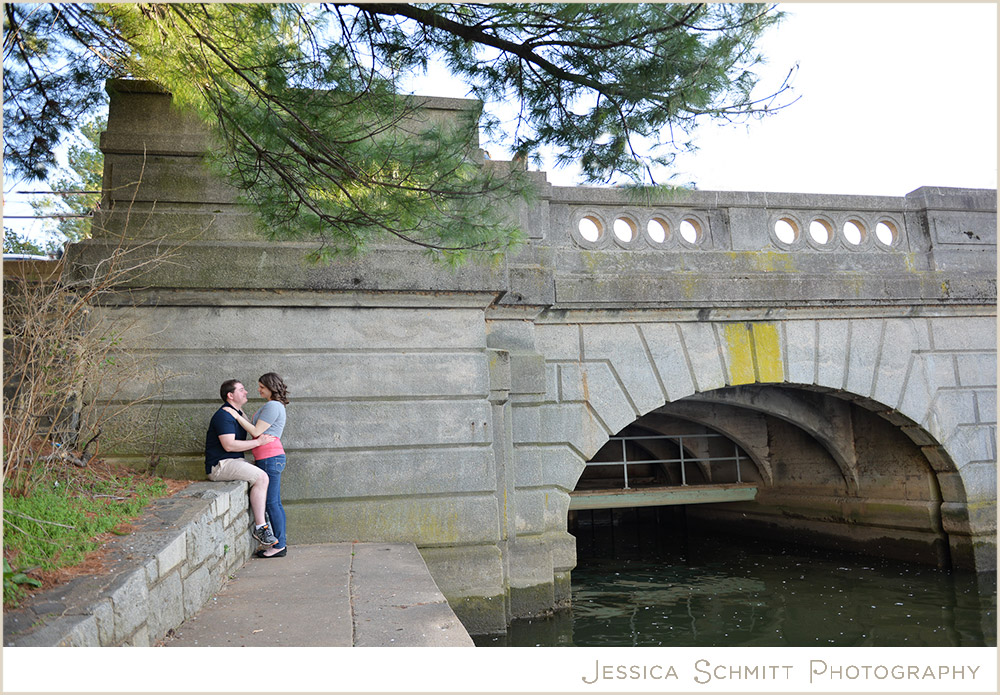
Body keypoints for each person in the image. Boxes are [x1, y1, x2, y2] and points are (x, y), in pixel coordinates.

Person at [205, 379, 279, 547]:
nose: (246, 392)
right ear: (230, 395)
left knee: (263, 471)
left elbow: (253, 430)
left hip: (234, 461)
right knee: (261, 477)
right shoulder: (224, 415)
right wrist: (259, 443)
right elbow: (229, 445)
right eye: (241, 389)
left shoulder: (237, 413)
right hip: (220, 465)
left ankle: (263, 518)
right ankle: (261, 527)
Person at [224, 373, 290, 559]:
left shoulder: (273, 405)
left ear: (270, 387)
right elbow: (254, 427)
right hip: (268, 457)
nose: (258, 390)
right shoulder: (271, 405)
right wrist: (237, 412)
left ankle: (279, 545)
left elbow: (255, 431)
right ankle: (280, 543)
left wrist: (235, 416)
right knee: (274, 502)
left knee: (272, 503)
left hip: (271, 457)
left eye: (261, 386)